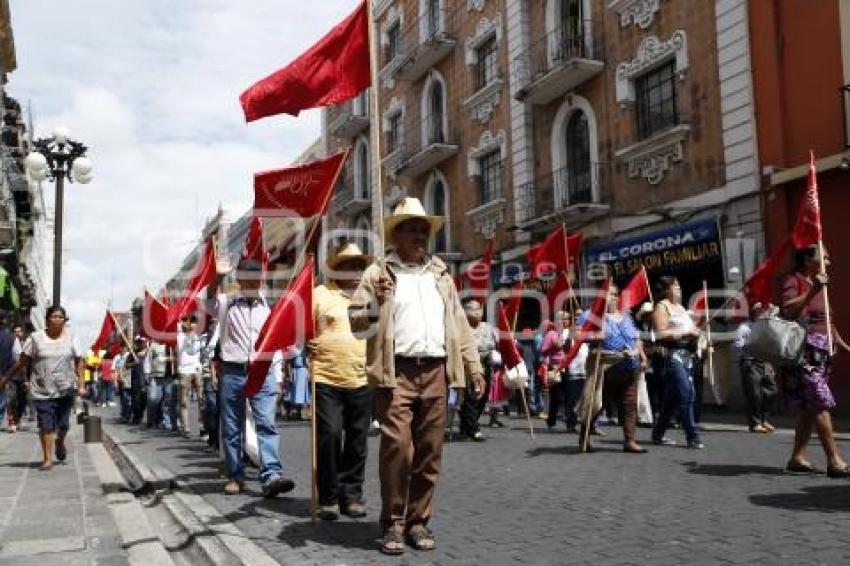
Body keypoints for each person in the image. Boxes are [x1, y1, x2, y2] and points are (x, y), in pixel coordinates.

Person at [349, 197, 484, 556]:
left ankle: (418, 520)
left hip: (436, 370)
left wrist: (473, 367)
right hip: (397, 373)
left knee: (430, 452)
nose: (419, 235)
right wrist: (376, 305)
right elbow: (356, 324)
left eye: (423, 229)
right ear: (396, 235)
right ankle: (393, 523)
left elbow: (459, 325)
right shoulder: (378, 273)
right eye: (411, 228)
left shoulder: (441, 274)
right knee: (397, 450)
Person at [214, 257, 293, 497]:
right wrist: (217, 277)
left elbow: (276, 344)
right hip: (233, 371)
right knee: (232, 426)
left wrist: (278, 376)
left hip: (263, 370)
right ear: (238, 279)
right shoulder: (226, 302)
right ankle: (235, 476)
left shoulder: (269, 305)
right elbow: (206, 301)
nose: (250, 282)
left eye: (254, 278)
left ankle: (271, 476)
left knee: (266, 424)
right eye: (245, 278)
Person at [309, 242, 373, 521]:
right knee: (330, 435)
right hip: (326, 376)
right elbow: (301, 328)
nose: (356, 271)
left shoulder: (371, 296)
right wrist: (305, 344)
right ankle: (329, 496)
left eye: (360, 266)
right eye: (350, 266)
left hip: (363, 377)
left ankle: (352, 495)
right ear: (338, 269)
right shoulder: (319, 294)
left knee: (358, 440)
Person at [780, 246, 850, 477]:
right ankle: (834, 460)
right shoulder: (795, 280)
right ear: (807, 260)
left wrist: (841, 342)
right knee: (819, 401)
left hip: (823, 352)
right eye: (824, 257)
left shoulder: (821, 284)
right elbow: (788, 309)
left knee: (810, 408)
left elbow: (827, 320)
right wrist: (812, 292)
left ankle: (796, 457)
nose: (828, 262)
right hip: (805, 351)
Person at [0, 306, 84, 470]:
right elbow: (22, 361)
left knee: (63, 425)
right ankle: (47, 459)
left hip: (65, 389)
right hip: (42, 389)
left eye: (61, 317)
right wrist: (7, 378)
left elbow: (80, 361)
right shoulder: (36, 338)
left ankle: (60, 441)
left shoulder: (72, 337)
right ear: (47, 320)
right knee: (46, 424)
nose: (58, 319)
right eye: (54, 316)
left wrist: (81, 384)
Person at [576, 284, 648, 453]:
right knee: (597, 404)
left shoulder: (626, 316)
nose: (614, 298)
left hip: (630, 366)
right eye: (610, 294)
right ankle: (584, 438)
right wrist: (594, 336)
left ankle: (630, 441)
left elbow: (636, 338)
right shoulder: (591, 315)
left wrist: (641, 354)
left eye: (616, 294)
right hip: (605, 367)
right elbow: (577, 334)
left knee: (630, 404)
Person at [651, 276, 704, 449]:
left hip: (688, 355)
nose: (679, 289)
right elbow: (660, 333)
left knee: (671, 399)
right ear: (667, 289)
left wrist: (697, 331)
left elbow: (689, 330)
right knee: (687, 393)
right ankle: (692, 435)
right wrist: (684, 334)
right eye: (675, 286)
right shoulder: (662, 306)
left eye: (679, 286)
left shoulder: (681, 308)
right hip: (673, 355)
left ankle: (658, 433)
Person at [458, 297, 499, 440]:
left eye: (479, 309)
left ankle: (466, 424)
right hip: (468, 366)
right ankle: (473, 428)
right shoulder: (462, 328)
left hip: (486, 364)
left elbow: (499, 343)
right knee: (470, 397)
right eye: (472, 309)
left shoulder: (488, 327)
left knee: (483, 396)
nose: (476, 312)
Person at [735, 304, 776, 433]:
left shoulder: (767, 327)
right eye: (757, 311)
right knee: (754, 394)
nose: (760, 313)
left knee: (772, 390)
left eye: (761, 311)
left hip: (765, 362)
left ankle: (764, 419)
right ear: (752, 313)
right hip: (750, 361)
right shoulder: (744, 327)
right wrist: (753, 342)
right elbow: (738, 345)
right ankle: (755, 423)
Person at [176, 316, 203, 438]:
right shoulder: (180, 335)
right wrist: (183, 323)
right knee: (183, 401)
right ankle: (185, 428)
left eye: (193, 322)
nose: (191, 324)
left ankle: (203, 426)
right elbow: (181, 325)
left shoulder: (199, 335)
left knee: (202, 400)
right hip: (184, 370)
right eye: (189, 321)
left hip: (197, 369)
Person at [5, 324, 28, 432]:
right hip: (12, 376)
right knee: (12, 399)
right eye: (15, 331)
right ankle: (12, 422)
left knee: (23, 400)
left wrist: (26, 379)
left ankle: (17, 418)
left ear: (23, 333)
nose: (17, 333)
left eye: (19, 331)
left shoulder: (27, 344)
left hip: (24, 377)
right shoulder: (11, 342)